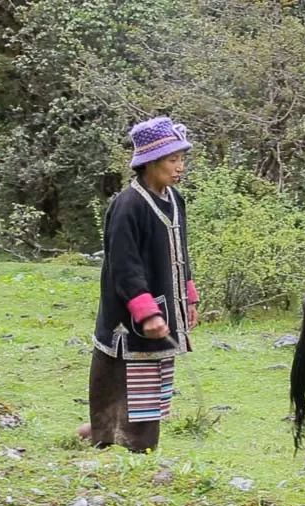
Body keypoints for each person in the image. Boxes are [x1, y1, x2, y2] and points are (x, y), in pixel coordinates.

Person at [76, 116, 200, 453]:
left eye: (181, 159)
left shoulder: (175, 200)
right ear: (150, 163)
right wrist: (146, 312)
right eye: (173, 160)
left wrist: (188, 299)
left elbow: (181, 252)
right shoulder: (128, 205)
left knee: (156, 380)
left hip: (165, 307)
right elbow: (124, 265)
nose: (180, 167)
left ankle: (112, 431)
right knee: (126, 377)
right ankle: (122, 440)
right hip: (130, 315)